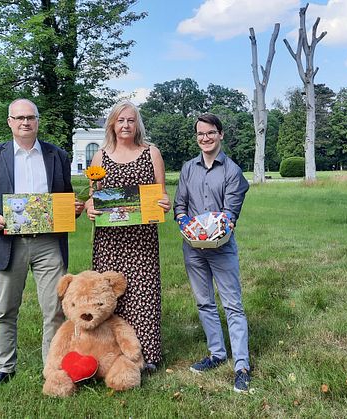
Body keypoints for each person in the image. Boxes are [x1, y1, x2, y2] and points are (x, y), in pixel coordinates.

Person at [0, 98, 84, 385]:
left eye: (30, 117)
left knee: (55, 310)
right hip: (9, 243)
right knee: (5, 309)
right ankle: (5, 368)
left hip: (49, 244)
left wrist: (73, 209)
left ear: (38, 120)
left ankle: (53, 367)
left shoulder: (56, 155)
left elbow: (65, 199)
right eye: (19, 118)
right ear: (9, 122)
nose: (25, 122)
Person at [84, 101, 171, 371]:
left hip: (141, 237)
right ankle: (111, 353)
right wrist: (90, 207)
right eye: (120, 120)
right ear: (112, 123)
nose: (125, 125)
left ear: (137, 124)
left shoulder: (151, 153)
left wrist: (164, 202)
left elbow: (161, 192)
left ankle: (148, 355)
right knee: (109, 294)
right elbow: (93, 196)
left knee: (143, 292)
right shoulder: (101, 156)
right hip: (109, 240)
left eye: (131, 121)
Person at [173, 113, 251, 393]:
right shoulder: (187, 168)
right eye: (200, 134)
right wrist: (184, 223)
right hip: (192, 248)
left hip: (221, 246)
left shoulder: (232, 171)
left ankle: (242, 365)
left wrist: (216, 230)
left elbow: (230, 213)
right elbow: (179, 205)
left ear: (220, 135)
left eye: (210, 133)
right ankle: (217, 354)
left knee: (233, 305)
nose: (205, 138)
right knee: (204, 301)